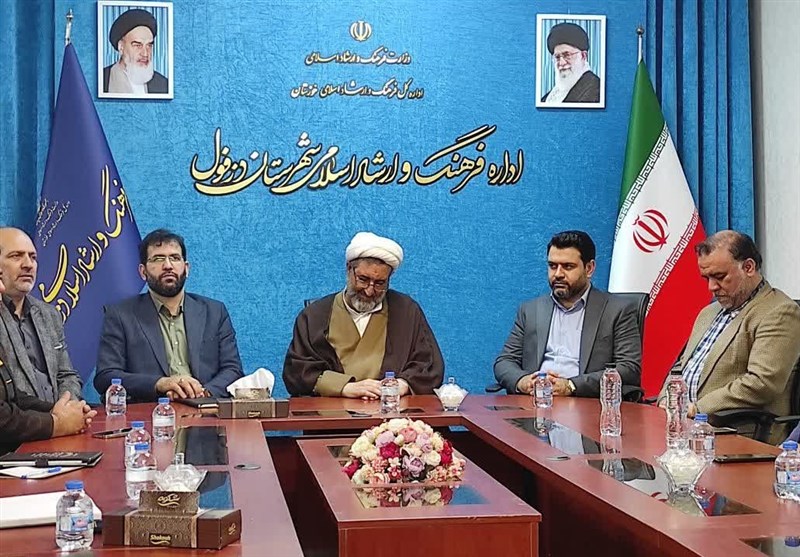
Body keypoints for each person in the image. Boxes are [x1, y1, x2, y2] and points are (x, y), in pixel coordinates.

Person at [657, 231, 800, 443]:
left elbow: (761, 383)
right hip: (683, 426)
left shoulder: (779, 312)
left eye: (720, 277)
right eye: (707, 278)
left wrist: (697, 408)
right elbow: (680, 366)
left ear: (748, 267)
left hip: (736, 433)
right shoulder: (709, 312)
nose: (711, 287)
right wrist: (666, 399)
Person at [283, 231, 444, 399]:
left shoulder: (406, 311)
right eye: (363, 279)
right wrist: (345, 388)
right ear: (349, 269)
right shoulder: (314, 316)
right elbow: (296, 372)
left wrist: (400, 385)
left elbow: (429, 364)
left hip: (391, 410)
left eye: (380, 283)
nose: (369, 290)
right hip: (332, 411)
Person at [94, 229, 244, 402]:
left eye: (175, 258)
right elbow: (106, 376)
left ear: (186, 268)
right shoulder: (121, 315)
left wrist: (203, 393)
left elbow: (233, 369)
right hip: (151, 412)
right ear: (143, 271)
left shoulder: (214, 312)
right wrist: (160, 384)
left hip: (206, 407)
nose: (168, 266)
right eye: (158, 259)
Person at [494, 230, 642, 397]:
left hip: (586, 403)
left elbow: (629, 369)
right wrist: (523, 381)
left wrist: (571, 386)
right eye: (552, 266)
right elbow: (504, 362)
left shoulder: (617, 310)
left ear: (589, 268)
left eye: (568, 266)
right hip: (533, 402)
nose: (558, 274)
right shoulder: (531, 310)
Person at [0, 266, 95, 455]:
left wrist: (64, 410)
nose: (2, 288)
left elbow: (12, 394)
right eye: (16, 255)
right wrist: (56, 423)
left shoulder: (48, 313)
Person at [0, 228, 82, 402]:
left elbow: (66, 375)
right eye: (16, 256)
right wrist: (52, 416)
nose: (28, 264)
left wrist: (68, 407)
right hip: (18, 417)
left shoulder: (49, 314)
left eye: (33, 257)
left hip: (59, 415)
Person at [102, 8, 169, 95]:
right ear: (121, 47)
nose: (145, 53)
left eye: (149, 45)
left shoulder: (163, 85)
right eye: (137, 45)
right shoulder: (102, 79)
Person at [542, 22, 601, 104]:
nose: (561, 63)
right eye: (557, 57)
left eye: (567, 55)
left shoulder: (597, 89)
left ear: (583, 56)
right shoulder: (550, 96)